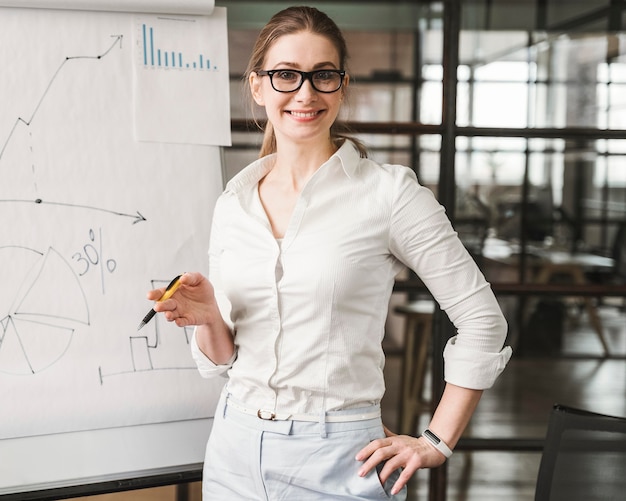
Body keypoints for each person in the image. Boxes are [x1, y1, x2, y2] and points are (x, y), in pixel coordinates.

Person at [148, 5, 512, 500]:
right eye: (285, 75)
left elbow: (482, 320)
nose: (305, 93)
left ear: (341, 85)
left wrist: (436, 441)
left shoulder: (388, 194)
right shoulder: (233, 203)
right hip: (233, 451)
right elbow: (224, 360)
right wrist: (210, 318)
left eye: (322, 75)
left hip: (340, 459)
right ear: (257, 86)